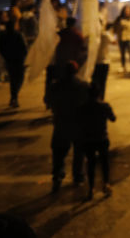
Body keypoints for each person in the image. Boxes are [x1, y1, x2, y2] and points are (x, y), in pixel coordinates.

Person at [49, 61, 89, 191]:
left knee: (59, 151)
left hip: (61, 122)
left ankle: (58, 174)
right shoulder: (83, 85)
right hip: (78, 122)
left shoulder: (56, 86)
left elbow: (48, 100)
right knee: (79, 151)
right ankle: (78, 176)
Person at [77, 83, 116, 200]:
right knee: (104, 163)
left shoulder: (83, 107)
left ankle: (91, 188)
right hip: (102, 138)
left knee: (91, 163)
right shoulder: (104, 106)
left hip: (88, 139)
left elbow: (78, 121)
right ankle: (106, 184)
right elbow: (113, 118)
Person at [0, 17, 28, 108]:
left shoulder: (3, 36)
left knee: (13, 79)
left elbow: (0, 48)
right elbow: (24, 48)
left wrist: (5, 56)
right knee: (20, 78)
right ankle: (14, 96)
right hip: (18, 60)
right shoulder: (18, 35)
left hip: (9, 60)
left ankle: (13, 97)